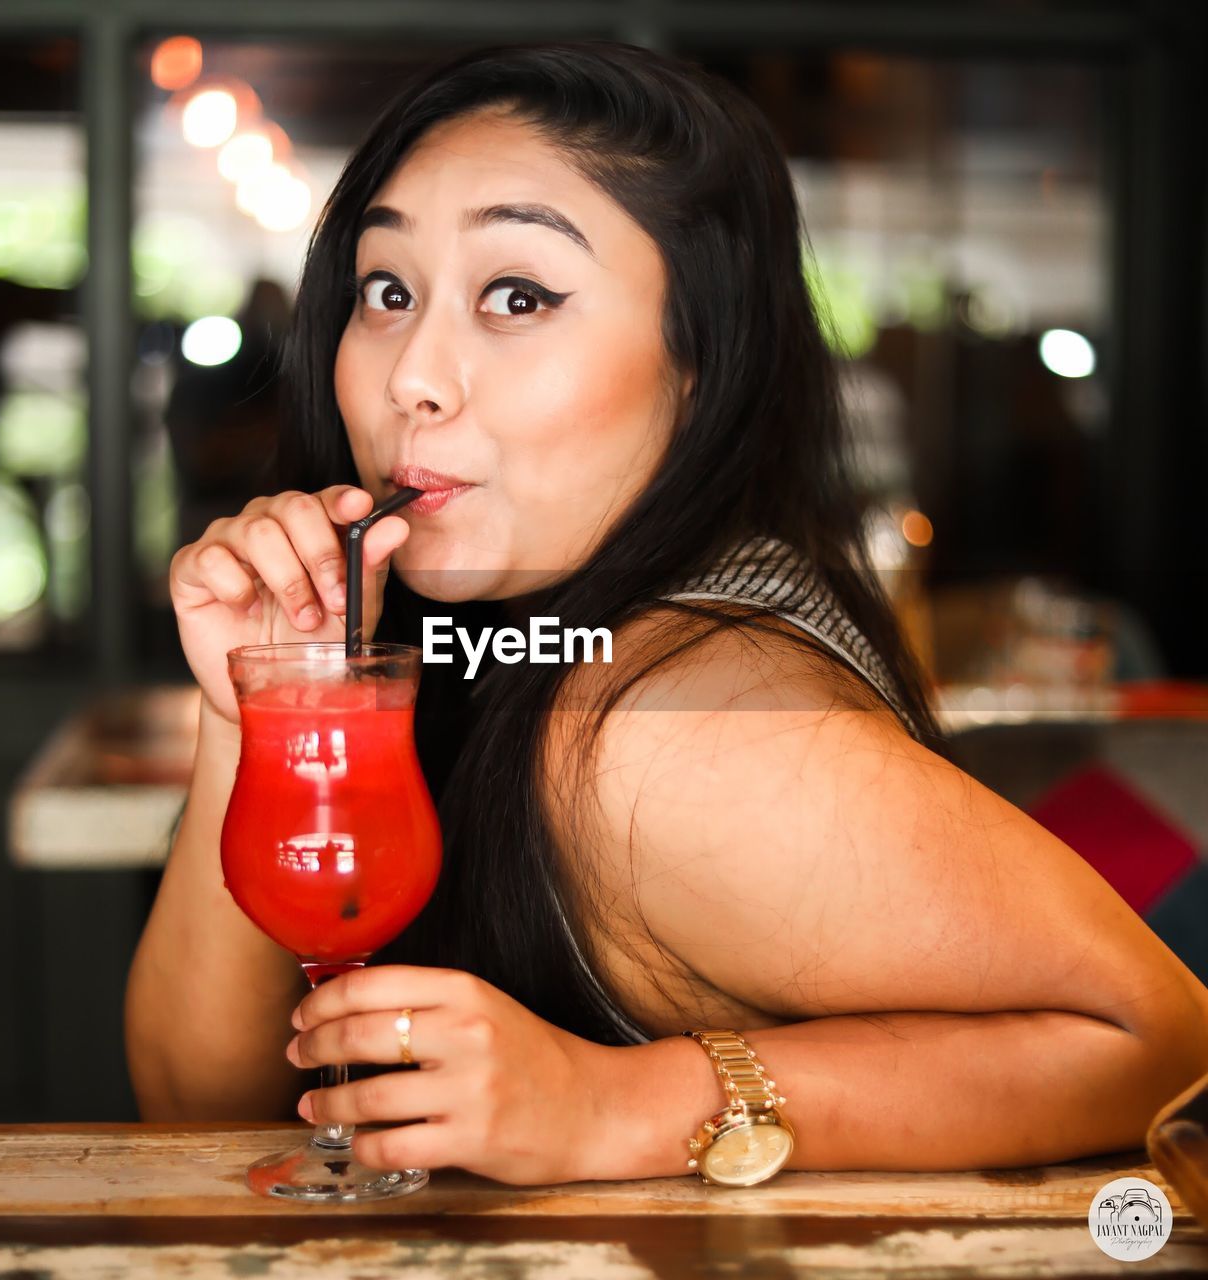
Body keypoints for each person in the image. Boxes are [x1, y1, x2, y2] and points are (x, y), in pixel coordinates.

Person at [125, 40, 1208, 1184]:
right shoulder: (495, 623)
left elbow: (1162, 1035)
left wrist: (619, 1103)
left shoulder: (670, 733)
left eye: (518, 295)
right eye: (387, 290)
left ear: (699, 360)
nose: (411, 376)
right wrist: (259, 700)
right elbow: (199, 1107)